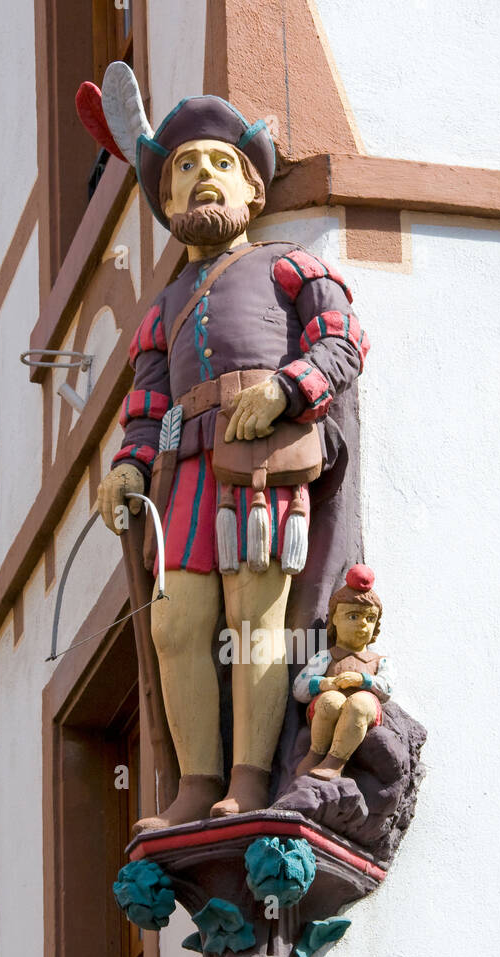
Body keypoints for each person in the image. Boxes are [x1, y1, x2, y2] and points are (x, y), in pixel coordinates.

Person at [90, 89, 370, 828]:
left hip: (262, 456)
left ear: (253, 187)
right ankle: (194, 783)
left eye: (222, 162)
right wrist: (127, 464)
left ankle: (248, 779)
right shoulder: (162, 308)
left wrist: (287, 389)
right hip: (183, 467)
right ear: (165, 194)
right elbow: (146, 403)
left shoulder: (289, 266)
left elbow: (343, 342)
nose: (204, 176)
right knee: (175, 626)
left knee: (255, 619)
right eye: (185, 167)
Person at [292, 565, 392, 780]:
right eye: (353, 616)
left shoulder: (379, 661)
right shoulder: (326, 657)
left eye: (369, 619)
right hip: (327, 707)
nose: (362, 625)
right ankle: (316, 752)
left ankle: (336, 760)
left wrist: (363, 680)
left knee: (360, 703)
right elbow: (299, 688)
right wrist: (322, 684)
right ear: (335, 619)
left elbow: (387, 687)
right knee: (331, 700)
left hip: (364, 711)